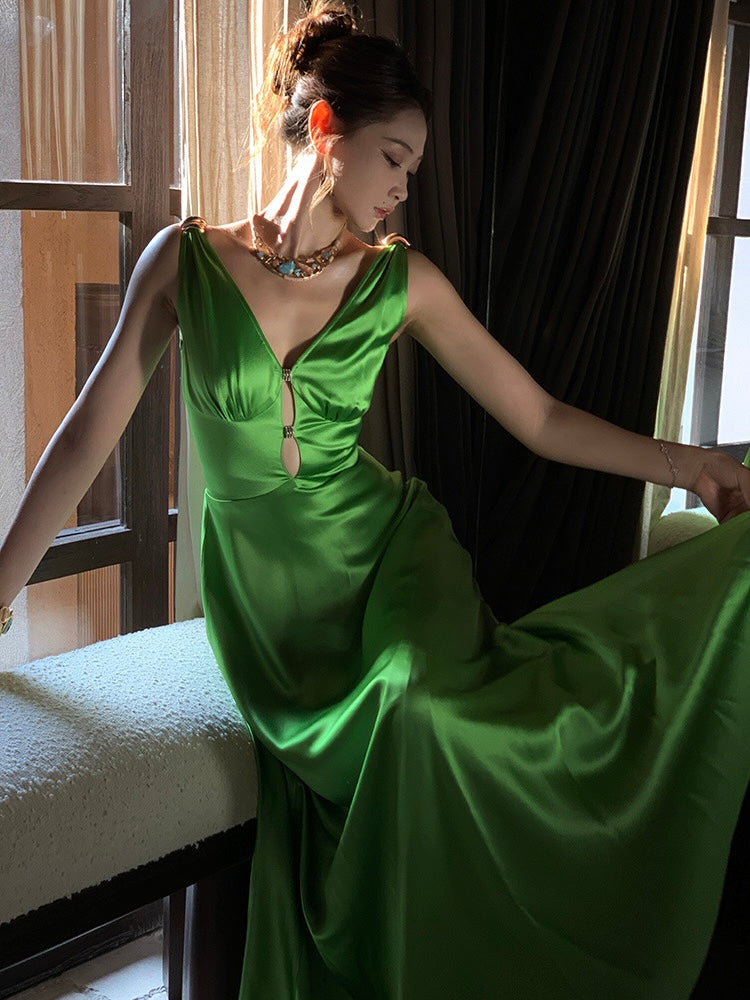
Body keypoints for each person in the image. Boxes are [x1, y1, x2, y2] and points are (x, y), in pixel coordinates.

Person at [2, 3, 750, 997]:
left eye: (414, 168)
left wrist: (693, 467)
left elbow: (538, 416)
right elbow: (84, 437)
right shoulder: (187, 262)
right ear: (326, 130)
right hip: (268, 593)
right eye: (394, 158)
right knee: (402, 721)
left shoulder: (402, 281)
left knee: (416, 706)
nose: (403, 187)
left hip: (388, 553)